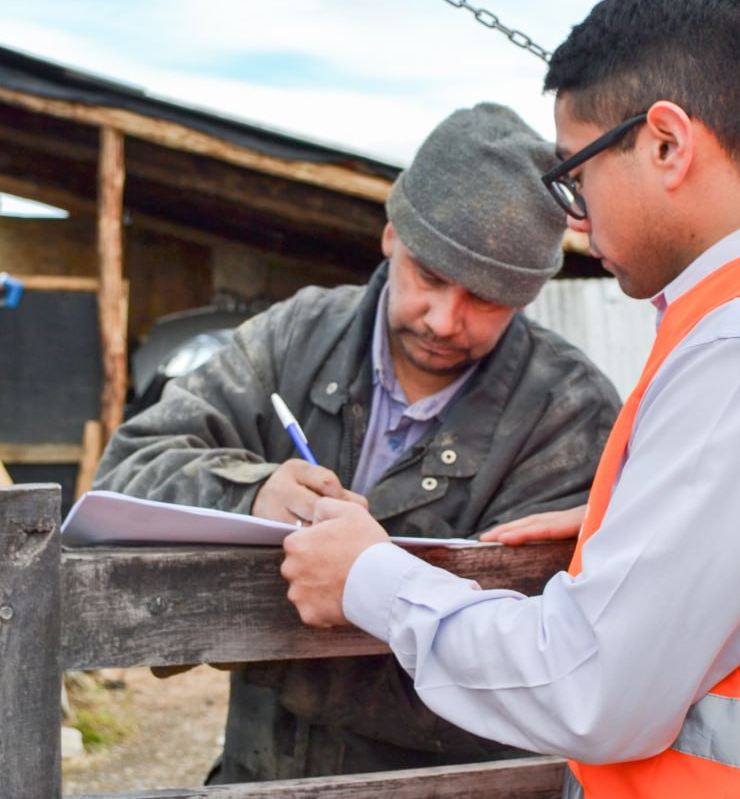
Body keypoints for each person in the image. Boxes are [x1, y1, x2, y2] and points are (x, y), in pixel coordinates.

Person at [281, 0, 740, 798]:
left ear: (667, 143)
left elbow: (590, 687)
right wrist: (659, 522)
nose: (577, 217)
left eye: (576, 173)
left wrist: (370, 578)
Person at [93, 102, 620, 783]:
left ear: (527, 294)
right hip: (263, 778)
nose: (444, 319)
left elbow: (531, 673)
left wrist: (278, 624)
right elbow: (126, 471)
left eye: (487, 298)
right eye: (430, 276)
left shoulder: (570, 416)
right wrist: (251, 494)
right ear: (390, 235)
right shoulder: (295, 335)